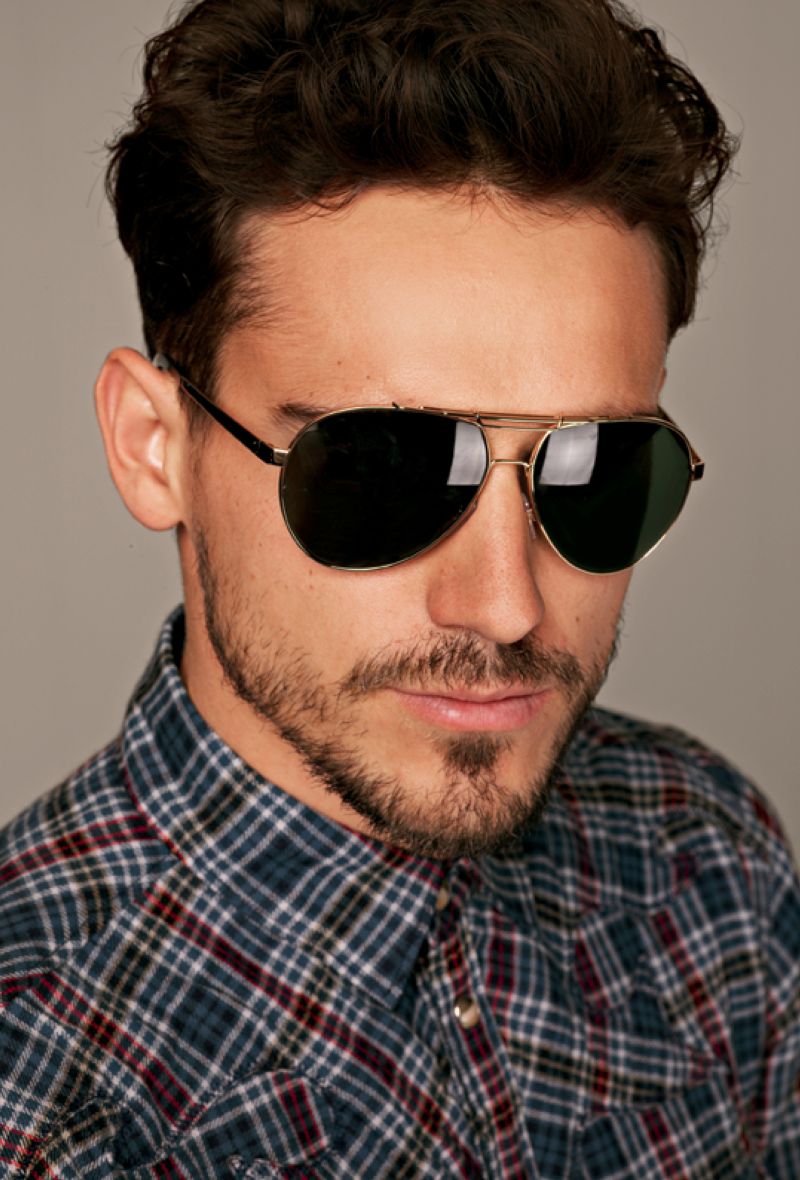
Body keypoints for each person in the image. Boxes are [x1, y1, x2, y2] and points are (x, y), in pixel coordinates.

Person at [1, 0, 797, 1174]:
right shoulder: (37, 1100)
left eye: (591, 469)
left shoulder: (707, 857)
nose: (506, 604)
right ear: (154, 446)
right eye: (381, 469)